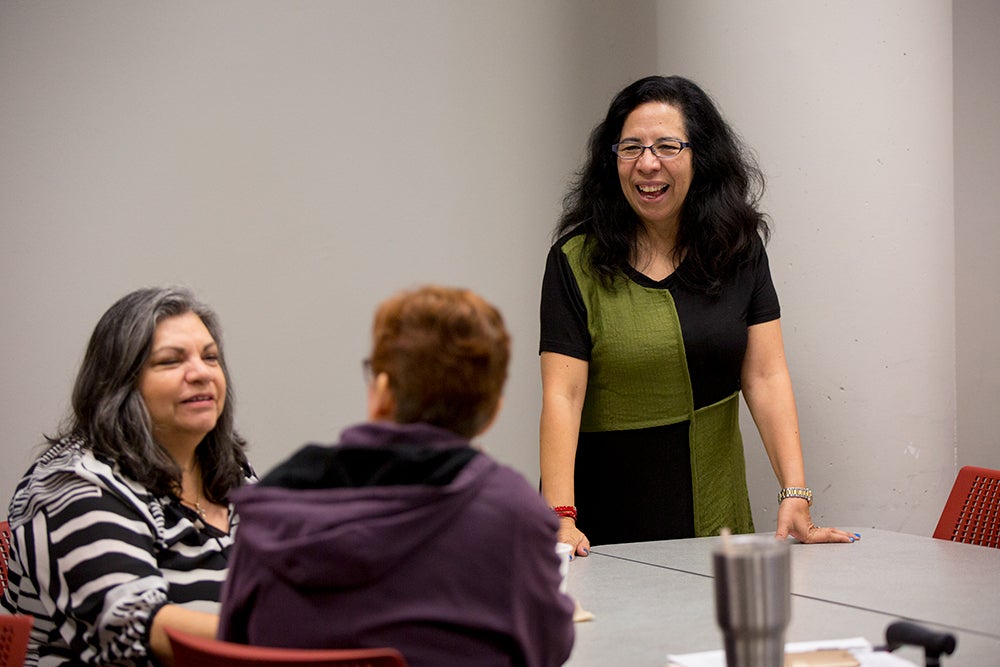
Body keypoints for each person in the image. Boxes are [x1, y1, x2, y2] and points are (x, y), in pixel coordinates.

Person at [539, 75, 859, 555]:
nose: (648, 164)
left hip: (714, 506)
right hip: (602, 518)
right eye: (631, 148)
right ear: (613, 160)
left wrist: (795, 492)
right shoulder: (575, 258)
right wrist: (560, 517)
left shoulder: (739, 249)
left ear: (700, 157)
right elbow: (563, 395)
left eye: (668, 146)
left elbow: (766, 376)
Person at [218, 285, 575, 667]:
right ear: (492, 412)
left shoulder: (271, 505)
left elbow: (231, 644)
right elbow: (549, 648)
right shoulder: (515, 514)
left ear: (381, 389)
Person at [1, 287, 254, 667]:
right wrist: (281, 633)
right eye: (171, 361)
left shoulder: (232, 475)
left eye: (211, 357)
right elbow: (131, 624)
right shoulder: (74, 482)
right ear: (119, 384)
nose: (201, 373)